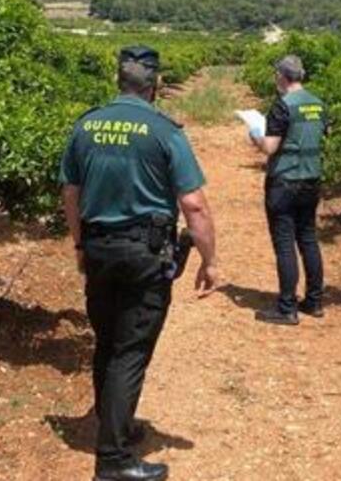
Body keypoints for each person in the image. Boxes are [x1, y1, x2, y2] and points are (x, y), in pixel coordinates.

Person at [60, 45, 221, 481]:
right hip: (143, 254)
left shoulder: (86, 125)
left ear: (118, 81)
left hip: (96, 249)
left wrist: (78, 246)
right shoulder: (164, 130)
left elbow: (70, 194)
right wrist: (210, 260)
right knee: (131, 350)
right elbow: (195, 206)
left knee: (108, 340)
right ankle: (113, 459)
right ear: (155, 86)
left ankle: (114, 421)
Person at [248, 54, 327, 326]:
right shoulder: (318, 104)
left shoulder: (283, 106)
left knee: (284, 243)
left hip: (284, 180)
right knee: (308, 238)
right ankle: (314, 302)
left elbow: (270, 147)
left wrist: (255, 136)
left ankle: (287, 308)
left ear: (282, 76)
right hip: (312, 178)